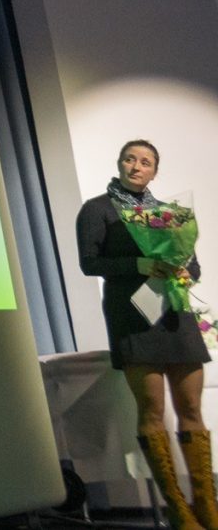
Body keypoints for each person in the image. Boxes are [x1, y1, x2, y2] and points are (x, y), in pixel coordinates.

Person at [76, 141, 213, 530]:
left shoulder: (169, 213)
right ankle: (178, 508)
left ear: (155, 171)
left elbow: (194, 266)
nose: (136, 166)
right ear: (120, 163)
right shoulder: (97, 209)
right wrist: (138, 263)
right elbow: (90, 262)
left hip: (175, 316)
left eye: (146, 162)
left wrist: (183, 270)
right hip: (133, 317)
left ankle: (206, 503)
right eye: (130, 159)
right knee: (152, 410)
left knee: (191, 410)